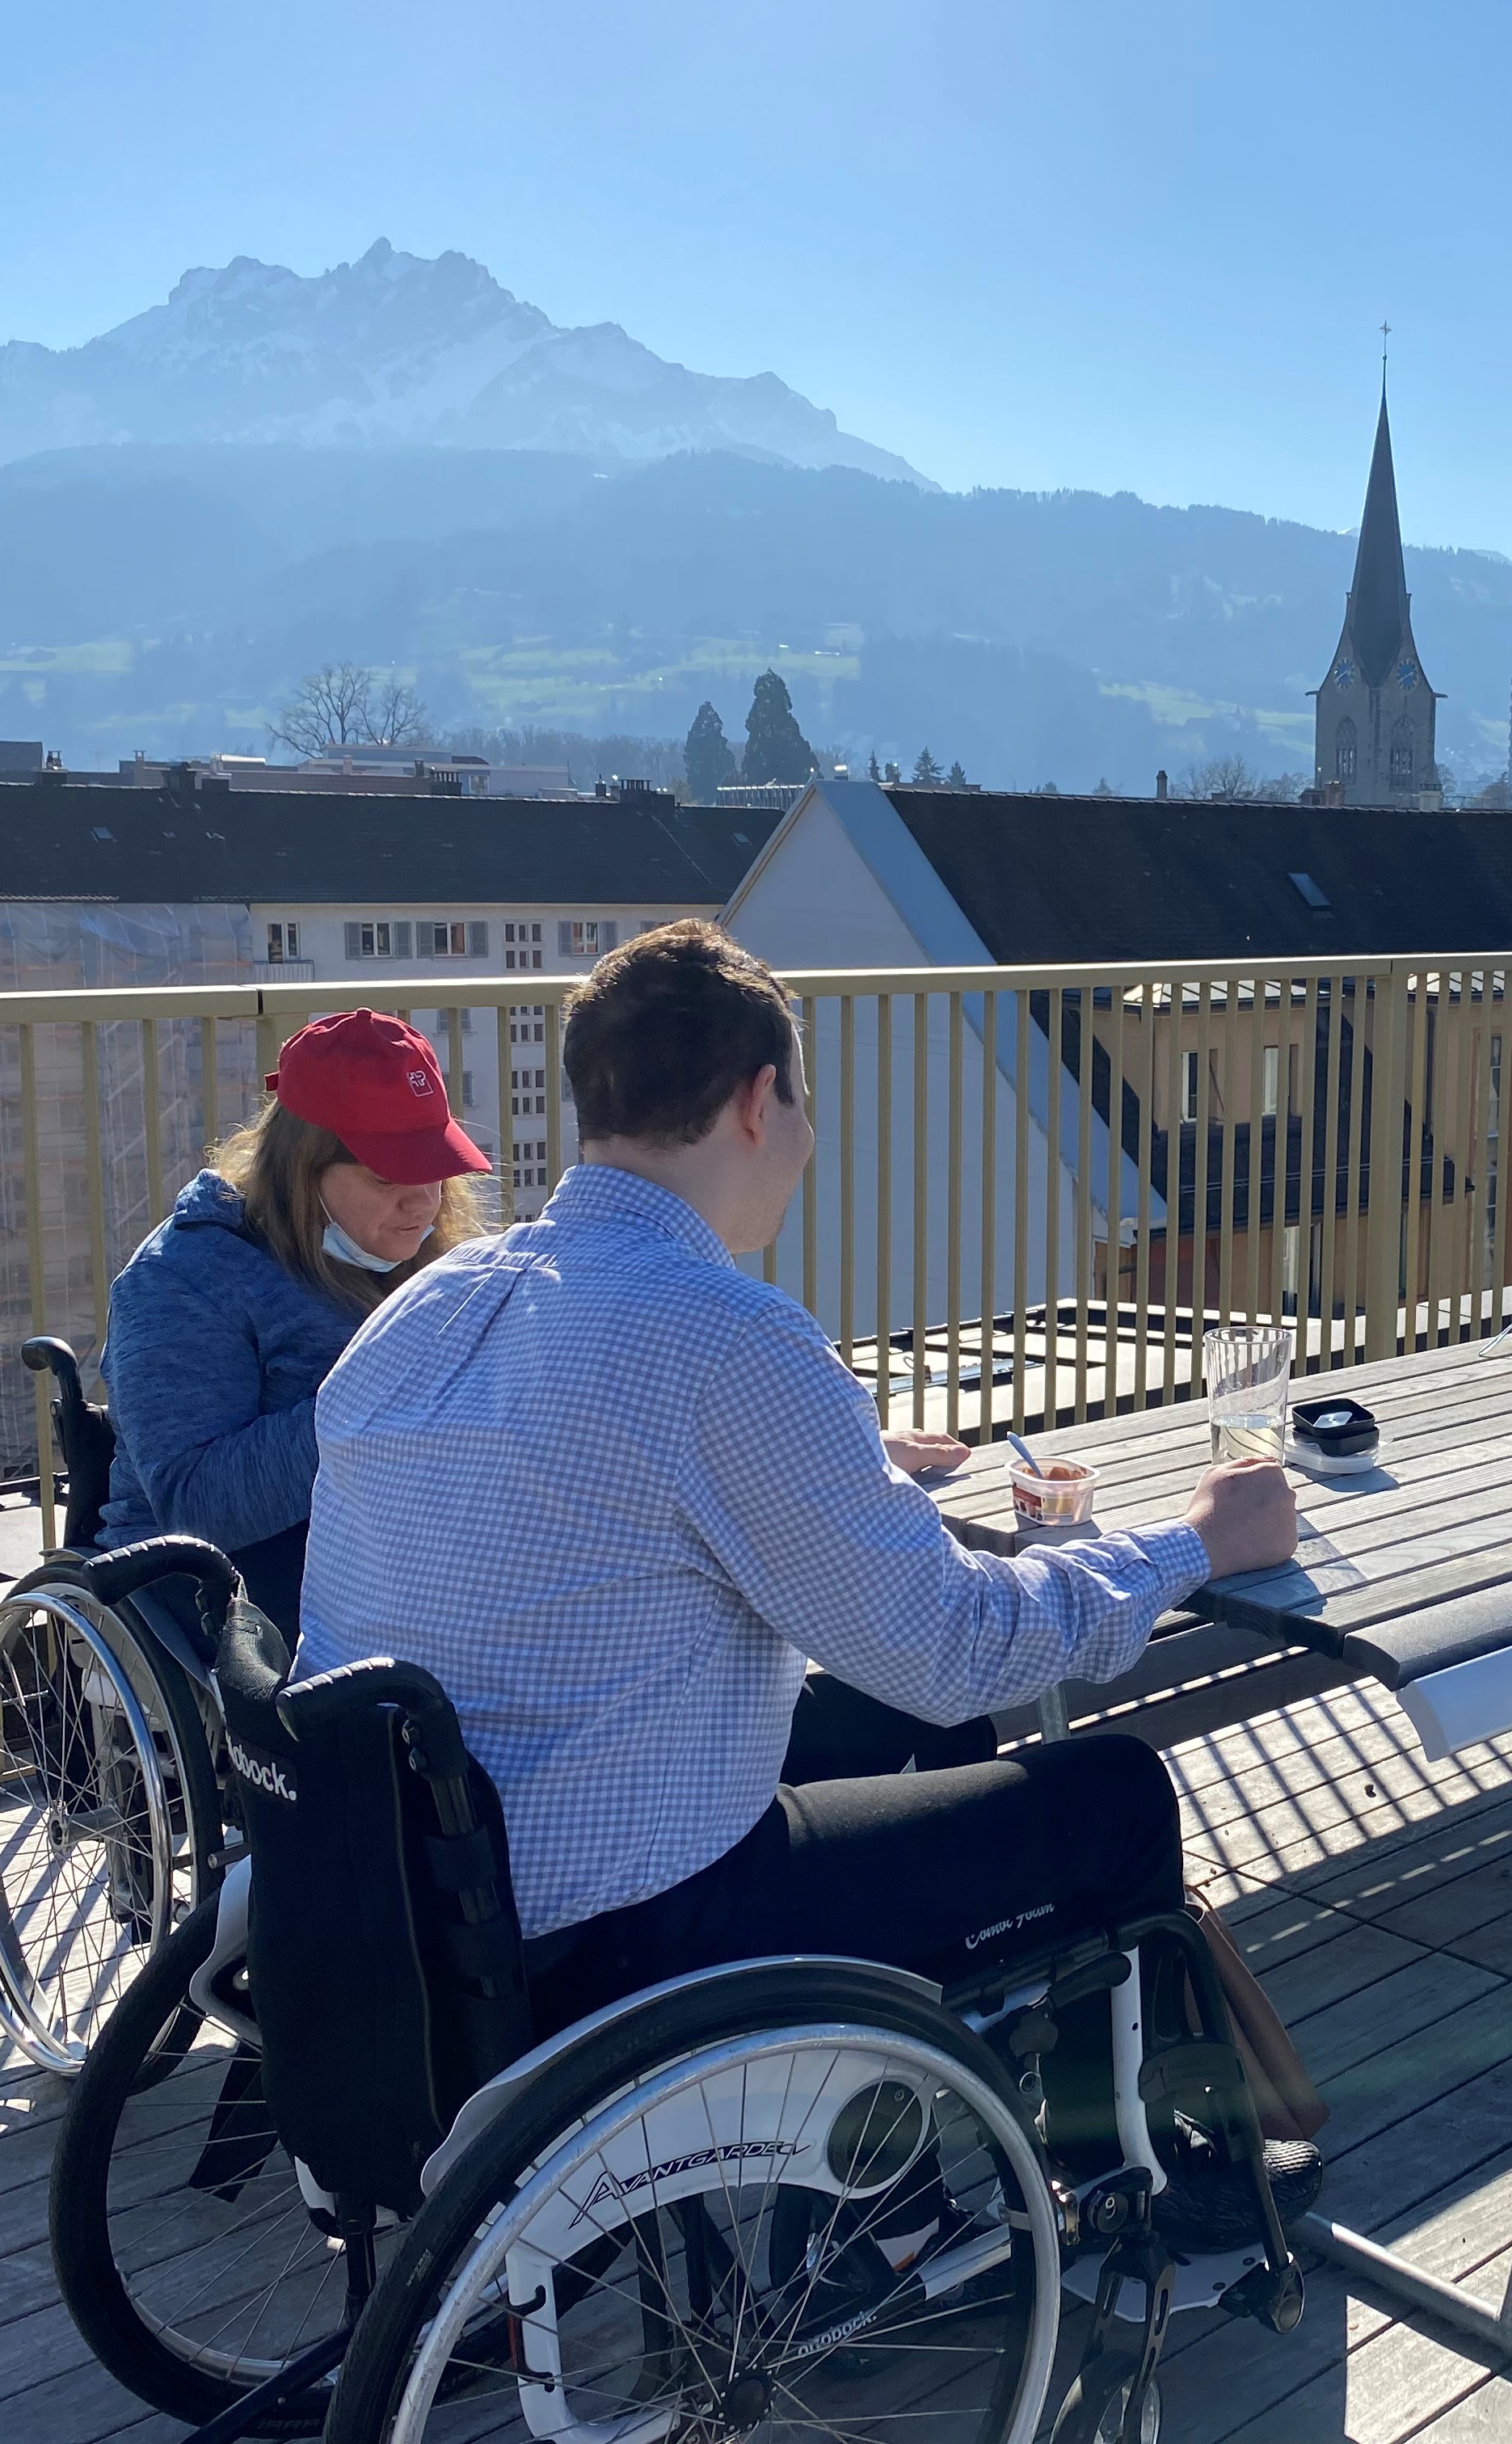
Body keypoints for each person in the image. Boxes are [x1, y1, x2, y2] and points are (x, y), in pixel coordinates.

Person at [291, 921, 1311, 2234]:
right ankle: (1177, 2199)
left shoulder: (422, 1311)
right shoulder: (723, 1334)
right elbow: (954, 1639)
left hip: (434, 1911)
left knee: (919, 1721)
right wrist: (1196, 1542)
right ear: (757, 1098)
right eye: (805, 1103)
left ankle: (882, 2202)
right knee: (1111, 1792)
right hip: (632, 1935)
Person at [96, 1010, 492, 1633]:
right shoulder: (182, 1281)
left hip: (392, 1566)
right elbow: (196, 1503)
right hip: (230, 1596)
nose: (423, 1202)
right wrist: (376, 1393)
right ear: (299, 1169)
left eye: (435, 1168)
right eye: (388, 1174)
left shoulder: (421, 1254)